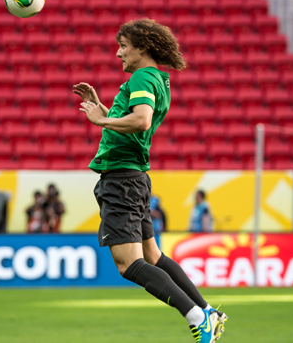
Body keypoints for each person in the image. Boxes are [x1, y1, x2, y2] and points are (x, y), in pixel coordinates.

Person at [73, 18, 226, 343]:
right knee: (153, 256)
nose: (118, 54)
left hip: (122, 179)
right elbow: (136, 118)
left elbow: (141, 121)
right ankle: (207, 310)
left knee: (128, 263)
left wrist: (100, 119)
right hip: (134, 177)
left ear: (142, 48)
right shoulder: (157, 78)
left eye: (124, 46)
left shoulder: (143, 77)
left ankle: (197, 318)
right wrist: (102, 107)